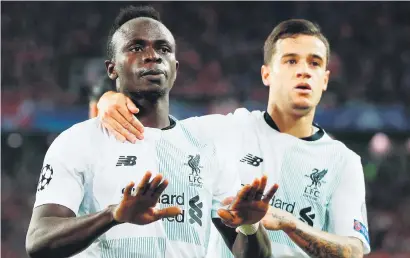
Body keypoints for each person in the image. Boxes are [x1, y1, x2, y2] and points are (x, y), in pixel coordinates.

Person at [98, 18, 371, 257]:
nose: (304, 71)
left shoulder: (343, 161)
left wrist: (289, 223)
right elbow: (155, 127)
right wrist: (110, 99)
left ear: (324, 80)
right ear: (266, 74)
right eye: (290, 61)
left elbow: (353, 251)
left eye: (315, 63)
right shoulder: (224, 131)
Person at [25, 6, 278, 258]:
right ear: (112, 68)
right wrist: (112, 215)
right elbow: (38, 241)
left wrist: (249, 226)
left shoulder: (205, 147)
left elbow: (254, 255)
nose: (153, 55)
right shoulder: (77, 142)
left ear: (175, 69)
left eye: (163, 49)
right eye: (136, 48)